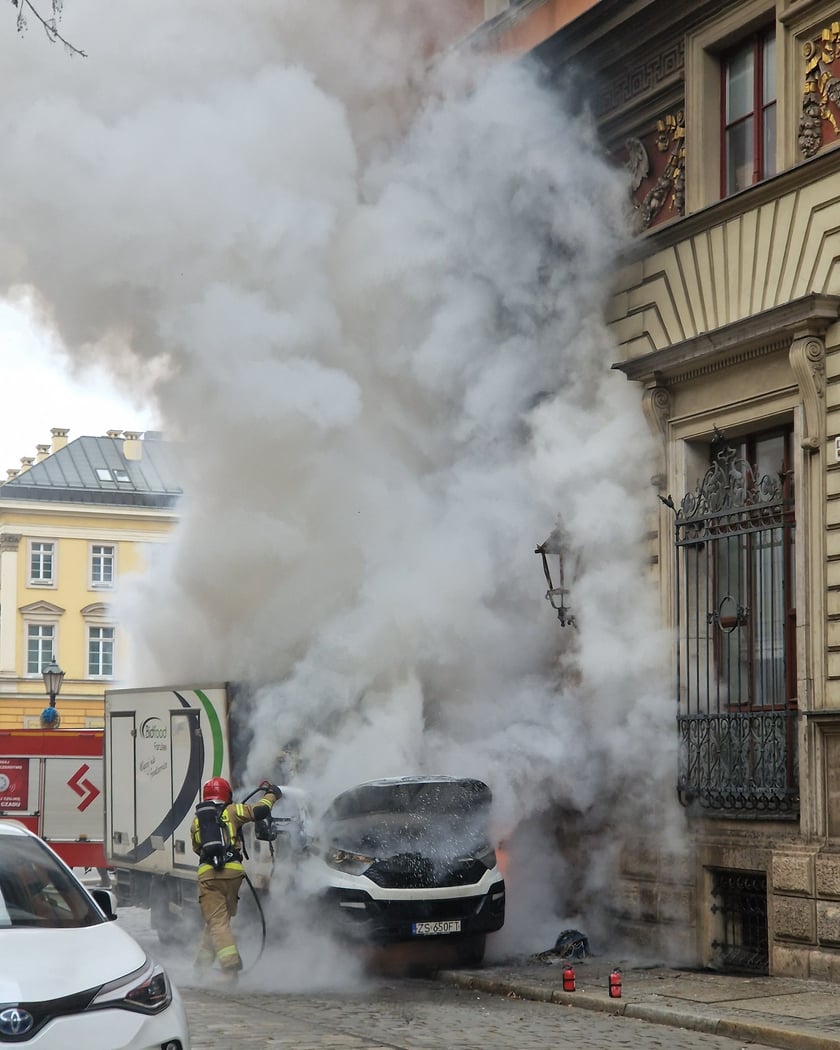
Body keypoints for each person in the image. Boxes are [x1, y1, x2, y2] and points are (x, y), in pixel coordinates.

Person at [191, 776, 281, 980]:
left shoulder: (197, 821)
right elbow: (259, 811)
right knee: (218, 922)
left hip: (209, 876)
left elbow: (198, 849)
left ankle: (230, 970)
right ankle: (201, 968)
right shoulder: (233, 811)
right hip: (234, 874)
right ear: (226, 795)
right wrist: (272, 794)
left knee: (217, 922)